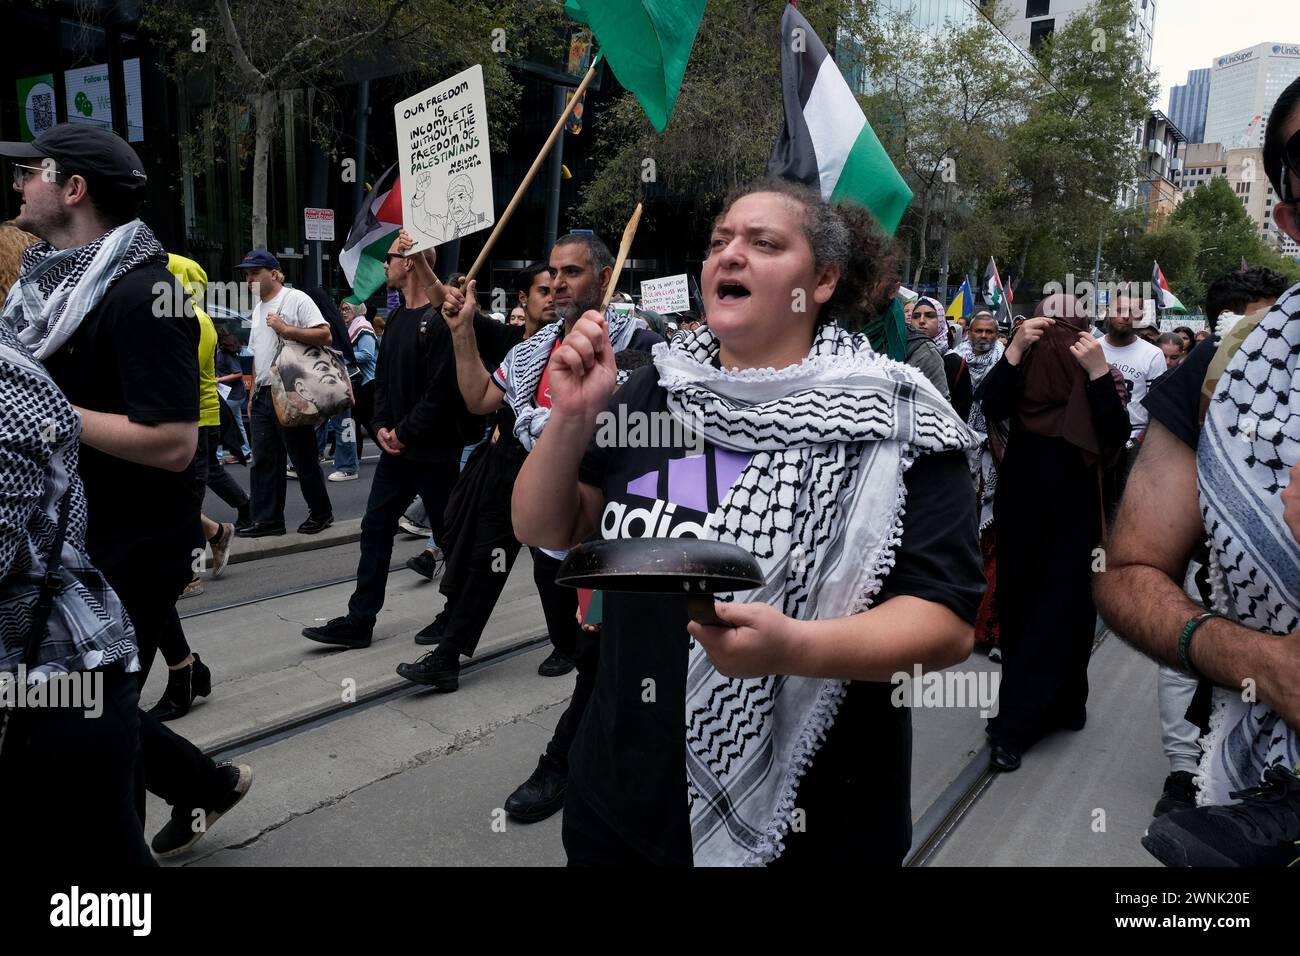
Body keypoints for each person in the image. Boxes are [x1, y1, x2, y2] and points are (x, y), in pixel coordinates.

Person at [512, 179, 982, 865]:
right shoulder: (650, 388)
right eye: (719, 242)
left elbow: (945, 626)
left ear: (822, 279)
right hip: (622, 797)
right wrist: (572, 416)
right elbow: (548, 528)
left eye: (763, 243)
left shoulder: (897, 419)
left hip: (815, 816)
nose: (729, 256)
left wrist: (794, 647)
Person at [1, 123, 252, 856]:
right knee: (82, 702)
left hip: (126, 549)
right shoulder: (47, 289)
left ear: (72, 189)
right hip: (65, 543)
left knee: (92, 707)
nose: (20, 187)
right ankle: (205, 786)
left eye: (32, 173)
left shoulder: (147, 294)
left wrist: (46, 413)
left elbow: (176, 445)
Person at [1096, 77, 1300, 862]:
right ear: (1286, 215)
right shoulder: (1220, 376)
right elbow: (1129, 572)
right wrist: (1259, 663)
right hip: (1252, 796)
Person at [400, 232, 663, 826]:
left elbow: (663, 448)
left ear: (603, 277)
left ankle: (563, 767)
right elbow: (476, 398)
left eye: (573, 272)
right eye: (553, 273)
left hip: (611, 537)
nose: (560, 283)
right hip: (548, 531)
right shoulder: (530, 351)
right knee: (573, 645)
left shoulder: (644, 347)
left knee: (598, 658)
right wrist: (463, 330)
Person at [300, 233, 511, 649]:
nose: (384, 266)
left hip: (434, 452)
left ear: (410, 263)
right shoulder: (396, 319)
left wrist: (405, 431)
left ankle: (453, 615)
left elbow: (442, 391)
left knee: (450, 535)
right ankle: (360, 619)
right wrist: (379, 427)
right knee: (375, 527)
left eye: (390, 258)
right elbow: (384, 385)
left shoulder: (441, 320)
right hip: (397, 453)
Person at [978, 295, 1131, 773]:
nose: (1058, 332)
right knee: (1024, 606)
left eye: (1071, 323)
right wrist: (1016, 349)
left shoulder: (1098, 371)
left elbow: (1114, 433)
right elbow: (990, 402)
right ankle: (1019, 718)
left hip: (1077, 510)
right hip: (1023, 506)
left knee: (1068, 607)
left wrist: (1099, 372)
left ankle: (1055, 707)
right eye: (1049, 321)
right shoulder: (1023, 364)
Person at [397, 263, 546, 660]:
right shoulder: (510, 341)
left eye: (560, 288)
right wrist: (424, 262)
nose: (553, 298)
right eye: (544, 291)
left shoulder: (575, 346)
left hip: (551, 478)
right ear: (523, 300)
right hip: (503, 466)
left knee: (552, 570)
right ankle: (449, 646)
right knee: (477, 555)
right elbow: (446, 305)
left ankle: (570, 645)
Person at [234, 250, 333, 537]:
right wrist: (252, 392)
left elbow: (324, 334)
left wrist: (285, 329)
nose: (249, 279)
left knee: (302, 456)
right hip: (265, 392)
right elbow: (257, 353)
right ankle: (268, 521)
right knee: (264, 459)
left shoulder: (296, 299)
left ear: (274, 274)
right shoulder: (258, 308)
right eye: (247, 274)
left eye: (254, 273)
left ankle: (321, 512)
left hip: (291, 389)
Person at [956, 311, 1006, 656]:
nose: (984, 336)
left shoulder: (1007, 362)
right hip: (959, 459)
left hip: (993, 459)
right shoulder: (953, 361)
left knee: (989, 541)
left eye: (990, 331)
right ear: (969, 331)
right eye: (979, 330)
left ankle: (988, 626)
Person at [215, 327, 251, 461]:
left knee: (219, 424)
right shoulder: (224, 352)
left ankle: (218, 457)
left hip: (230, 396)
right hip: (236, 395)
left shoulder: (225, 354)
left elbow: (238, 373)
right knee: (238, 423)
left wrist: (219, 379)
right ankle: (245, 451)